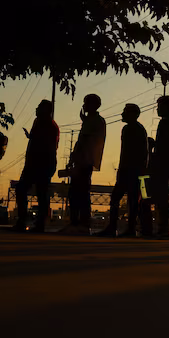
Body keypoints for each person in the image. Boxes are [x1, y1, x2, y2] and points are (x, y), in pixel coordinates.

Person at [97, 104, 147, 238]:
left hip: (130, 170)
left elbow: (132, 152)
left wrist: (126, 169)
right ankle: (125, 228)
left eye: (125, 112)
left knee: (122, 199)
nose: (122, 114)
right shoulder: (135, 129)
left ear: (132, 114)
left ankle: (119, 227)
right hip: (131, 170)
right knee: (130, 200)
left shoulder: (132, 129)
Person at [12, 100, 60, 233]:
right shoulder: (38, 122)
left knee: (40, 193)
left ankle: (38, 224)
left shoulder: (50, 126)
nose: (36, 109)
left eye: (39, 107)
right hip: (32, 163)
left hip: (42, 163)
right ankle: (24, 221)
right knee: (24, 190)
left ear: (47, 110)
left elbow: (47, 146)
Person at [62, 93, 106, 233]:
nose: (84, 106)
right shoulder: (93, 120)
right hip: (85, 161)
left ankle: (79, 223)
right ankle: (79, 223)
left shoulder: (93, 121)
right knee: (79, 192)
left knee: (78, 193)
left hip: (84, 161)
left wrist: (73, 159)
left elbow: (83, 142)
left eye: (86, 103)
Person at [140, 95, 169, 239]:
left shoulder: (167, 123)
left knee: (152, 196)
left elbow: (165, 147)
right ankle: (160, 228)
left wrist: (153, 145)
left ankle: (155, 228)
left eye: (159, 107)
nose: (157, 110)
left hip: (161, 167)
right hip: (166, 166)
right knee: (161, 197)